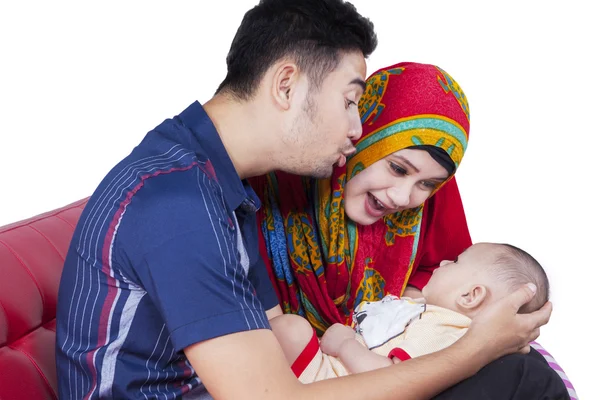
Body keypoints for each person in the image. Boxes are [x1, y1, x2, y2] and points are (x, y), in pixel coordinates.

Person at [55, 1, 549, 399]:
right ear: (287, 85)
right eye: (352, 100)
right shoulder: (180, 204)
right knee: (512, 376)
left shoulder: (223, 183)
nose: (358, 129)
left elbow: (277, 335)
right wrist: (474, 349)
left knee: (505, 372)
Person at [270, 242, 552, 380]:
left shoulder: (442, 327)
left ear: (470, 296)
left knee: (290, 329)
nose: (441, 262)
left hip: (337, 381)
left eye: (454, 262)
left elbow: (390, 378)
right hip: (334, 371)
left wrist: (344, 345)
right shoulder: (427, 312)